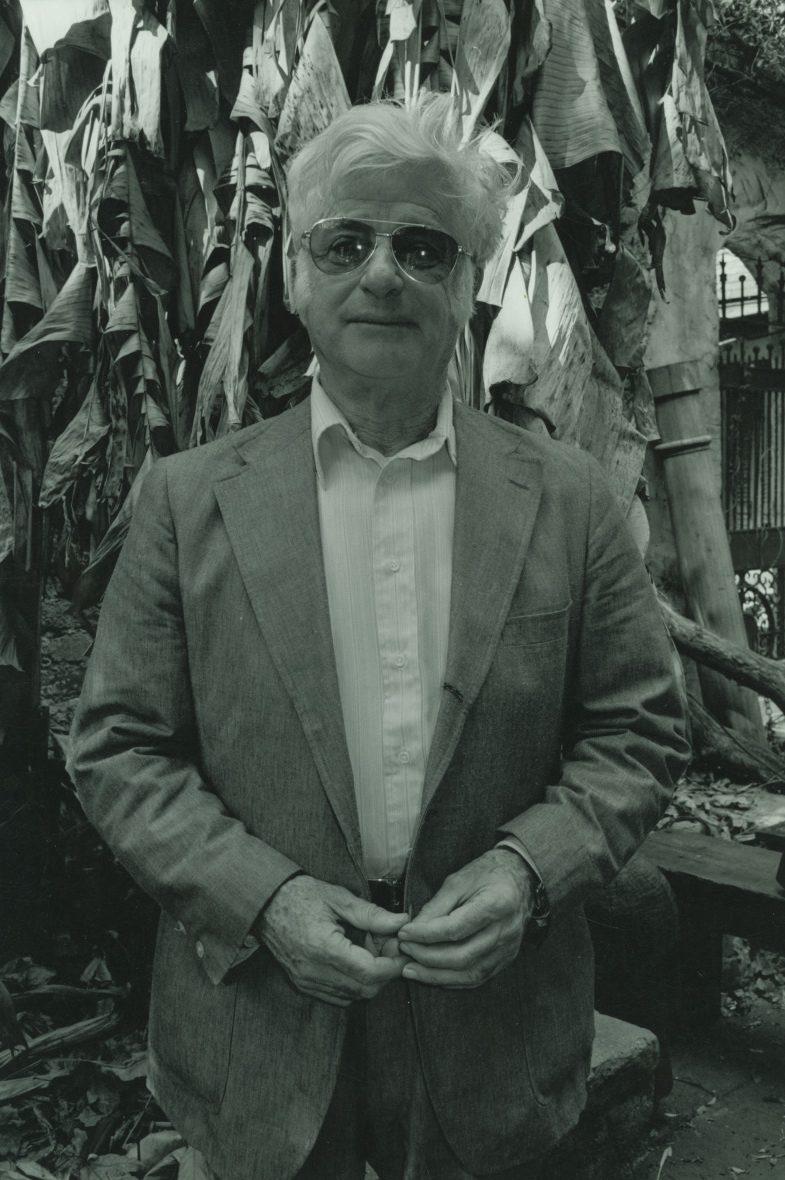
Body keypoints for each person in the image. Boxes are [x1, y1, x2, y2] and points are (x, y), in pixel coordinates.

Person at [67, 95, 690, 1180]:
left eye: (421, 245)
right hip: (258, 1016)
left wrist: (525, 872)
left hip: (494, 1022)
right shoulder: (187, 501)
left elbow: (636, 731)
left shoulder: (569, 501)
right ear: (296, 275)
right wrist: (264, 897)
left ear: (465, 282)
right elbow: (118, 747)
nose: (383, 273)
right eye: (345, 242)